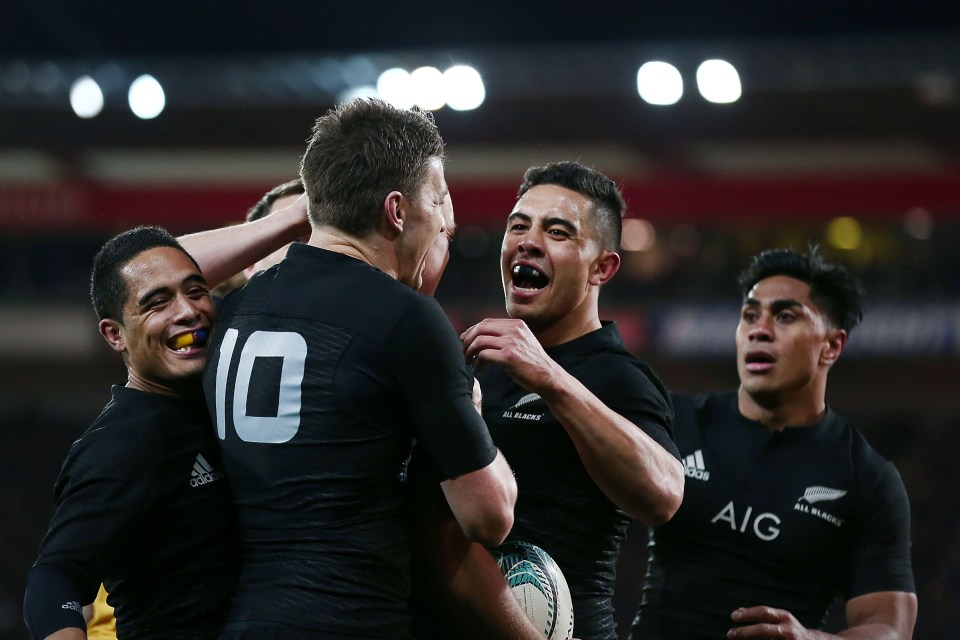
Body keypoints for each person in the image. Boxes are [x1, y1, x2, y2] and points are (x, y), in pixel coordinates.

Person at [201, 97, 517, 639]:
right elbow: (488, 516)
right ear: (396, 211)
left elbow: (147, 273)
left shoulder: (235, 309)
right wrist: (473, 410)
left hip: (244, 618)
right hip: (351, 619)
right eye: (435, 201)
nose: (441, 219)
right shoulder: (404, 317)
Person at [23, 205, 311, 640]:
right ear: (114, 334)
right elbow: (54, 581)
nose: (187, 312)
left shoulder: (220, 390)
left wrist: (293, 220)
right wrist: (291, 218)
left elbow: (175, 259)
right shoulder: (122, 443)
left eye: (196, 292)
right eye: (157, 303)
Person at [630, 247, 917, 640]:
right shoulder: (676, 422)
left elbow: (890, 629)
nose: (759, 329)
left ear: (831, 346)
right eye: (750, 315)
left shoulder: (869, 479)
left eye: (784, 316)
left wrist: (810, 638)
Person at [451, 161, 684, 640]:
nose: (529, 240)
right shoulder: (480, 367)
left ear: (603, 267)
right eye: (519, 225)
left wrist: (552, 380)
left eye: (558, 232)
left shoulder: (619, 377)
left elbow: (663, 496)